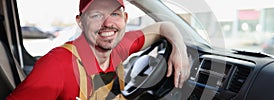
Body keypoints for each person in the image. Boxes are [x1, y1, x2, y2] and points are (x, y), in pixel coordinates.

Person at [7, 0, 190, 99]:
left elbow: (163, 27)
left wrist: (179, 50)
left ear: (125, 18)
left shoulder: (119, 46)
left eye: (114, 14)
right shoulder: (57, 65)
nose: (108, 23)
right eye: (96, 15)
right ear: (80, 21)